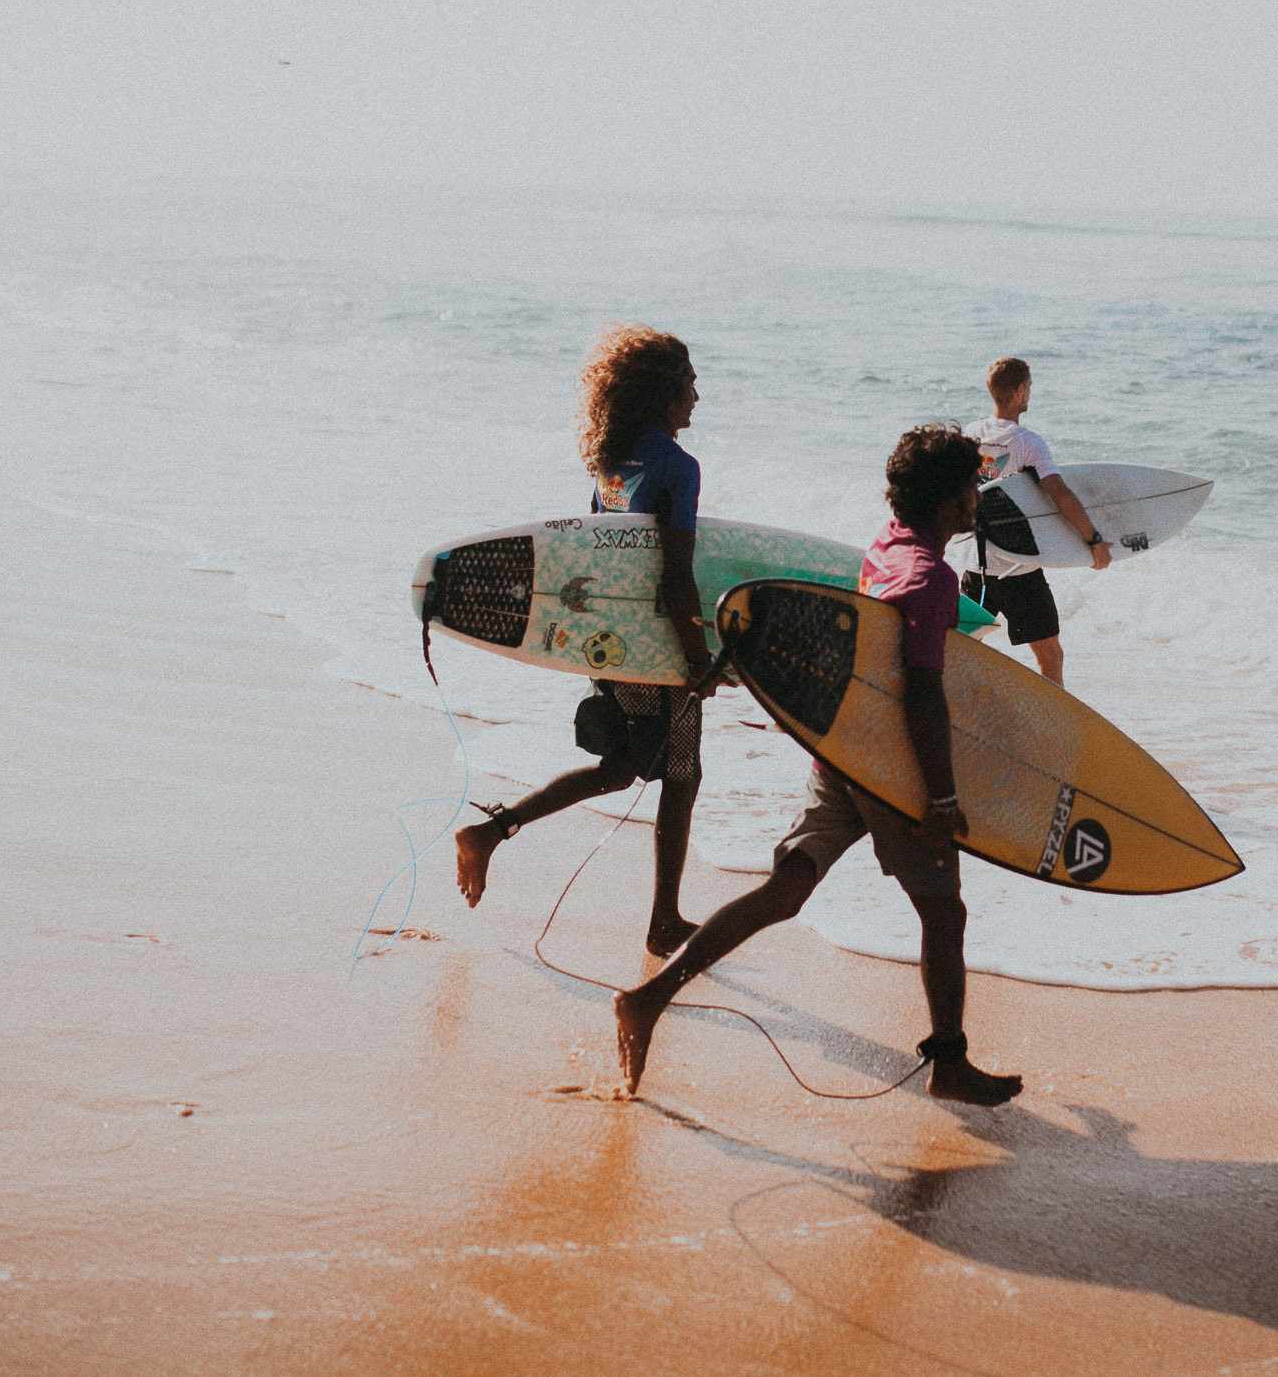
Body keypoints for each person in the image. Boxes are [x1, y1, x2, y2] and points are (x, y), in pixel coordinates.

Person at [613, 425, 1025, 1108]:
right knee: (944, 913)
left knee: (785, 890)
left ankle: (649, 997)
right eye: (972, 487)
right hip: (889, 770)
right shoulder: (932, 579)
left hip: (839, 750)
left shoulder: (887, 546)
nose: (976, 497)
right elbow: (922, 692)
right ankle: (949, 1061)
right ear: (953, 498)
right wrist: (942, 797)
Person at [455, 323, 717, 958]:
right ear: (663, 392)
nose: (697, 397)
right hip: (656, 649)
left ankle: (491, 832)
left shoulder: (612, 463)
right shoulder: (678, 468)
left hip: (610, 642)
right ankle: (663, 921)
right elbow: (675, 576)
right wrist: (698, 657)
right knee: (682, 776)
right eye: (689, 384)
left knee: (621, 768)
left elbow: (601, 558)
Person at [966, 357, 1109, 689]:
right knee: (1050, 657)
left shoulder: (970, 434)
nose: (1030, 393)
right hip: (1019, 570)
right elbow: (1059, 494)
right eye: (1029, 387)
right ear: (1019, 391)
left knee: (961, 648)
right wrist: (1093, 540)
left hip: (976, 565)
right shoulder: (1028, 442)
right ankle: (1052, 719)